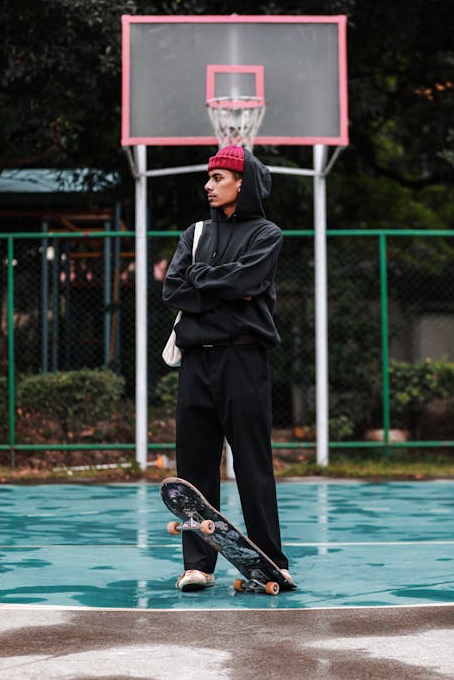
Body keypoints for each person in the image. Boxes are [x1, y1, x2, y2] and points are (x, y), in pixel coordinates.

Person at [162, 144, 295, 592]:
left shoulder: (266, 234)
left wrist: (206, 282)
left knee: (253, 463)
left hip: (243, 360)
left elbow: (249, 281)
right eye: (208, 177)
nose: (208, 185)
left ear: (243, 182)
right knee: (194, 470)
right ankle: (197, 566)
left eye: (218, 177)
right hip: (196, 363)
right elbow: (173, 290)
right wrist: (225, 288)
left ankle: (272, 562)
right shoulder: (194, 234)